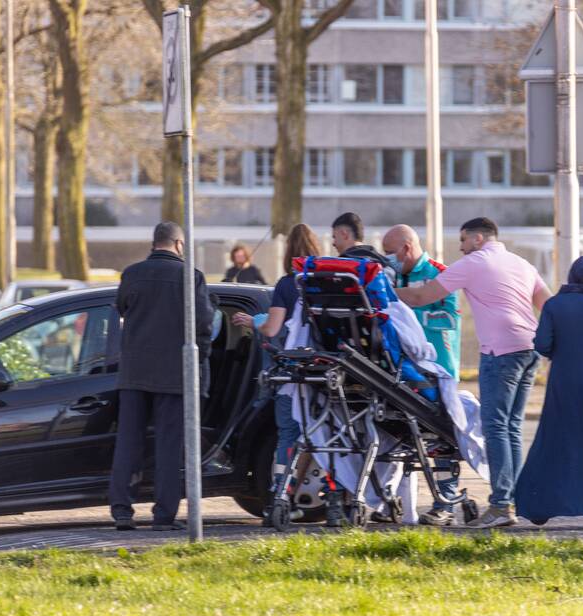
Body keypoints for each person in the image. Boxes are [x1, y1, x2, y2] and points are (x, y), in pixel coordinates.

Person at [397, 217, 552, 528]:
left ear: (478, 238)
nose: (461, 247)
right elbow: (547, 304)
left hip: (500, 352)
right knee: (511, 427)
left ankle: (501, 506)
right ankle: (511, 499)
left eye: (463, 240)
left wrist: (379, 291)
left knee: (495, 428)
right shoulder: (521, 263)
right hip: (529, 349)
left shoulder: (474, 263)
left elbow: (421, 297)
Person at [108, 221, 215, 531]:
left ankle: (122, 511)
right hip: (174, 375)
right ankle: (163, 516)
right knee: (169, 446)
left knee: (128, 442)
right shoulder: (190, 277)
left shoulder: (131, 274)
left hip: (134, 373)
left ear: (154, 242)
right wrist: (199, 363)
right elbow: (204, 325)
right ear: (179, 244)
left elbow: (121, 309)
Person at [515, 256, 583, 529]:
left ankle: (539, 505)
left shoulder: (554, 305)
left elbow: (542, 344)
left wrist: (562, 348)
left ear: (571, 276)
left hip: (563, 383)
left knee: (554, 441)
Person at [232, 223, 320, 522]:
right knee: (324, 435)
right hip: (325, 372)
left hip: (292, 374)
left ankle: (280, 494)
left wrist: (253, 321)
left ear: (289, 252)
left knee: (288, 436)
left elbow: (272, 328)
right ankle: (338, 498)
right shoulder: (327, 282)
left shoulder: (287, 285)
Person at [382, 223, 462, 526]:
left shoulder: (440, 274)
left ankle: (445, 502)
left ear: (406, 248)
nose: (387, 259)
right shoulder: (390, 276)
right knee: (400, 438)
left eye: (390, 252)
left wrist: (408, 311)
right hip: (400, 371)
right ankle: (394, 501)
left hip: (438, 370)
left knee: (442, 438)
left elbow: (447, 319)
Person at [331, 211, 396, 283]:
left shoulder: (340, 265)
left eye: (334, 237)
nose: (333, 243)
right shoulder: (386, 264)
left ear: (344, 234)